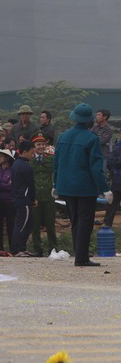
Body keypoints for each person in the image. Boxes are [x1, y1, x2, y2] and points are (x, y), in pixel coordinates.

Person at [54, 103, 111, 267]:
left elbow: (57, 163)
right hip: (85, 188)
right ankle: (82, 258)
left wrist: (55, 184)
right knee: (85, 222)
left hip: (66, 187)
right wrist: (105, 188)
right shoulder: (91, 139)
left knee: (75, 221)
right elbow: (96, 167)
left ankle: (80, 255)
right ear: (89, 121)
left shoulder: (63, 137)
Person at [29, 132, 57, 256]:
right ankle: (37, 249)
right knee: (35, 225)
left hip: (49, 195)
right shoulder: (29, 159)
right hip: (35, 196)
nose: (40, 146)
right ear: (33, 146)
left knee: (50, 224)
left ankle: (53, 248)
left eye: (42, 144)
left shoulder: (51, 158)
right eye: (38, 144)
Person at [10, 140, 37, 257]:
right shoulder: (25, 167)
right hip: (24, 200)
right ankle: (16, 249)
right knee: (21, 225)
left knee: (29, 224)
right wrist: (33, 199)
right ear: (25, 152)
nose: (33, 155)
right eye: (32, 152)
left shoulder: (15, 164)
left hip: (18, 198)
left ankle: (22, 247)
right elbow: (31, 185)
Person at [0, 150, 15, 251]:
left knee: (11, 226)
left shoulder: (12, 171)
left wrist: (0, 185)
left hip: (9, 201)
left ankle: (12, 247)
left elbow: (11, 186)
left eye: (1, 156)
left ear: (6, 158)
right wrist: (3, 185)